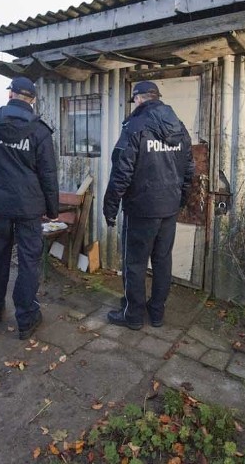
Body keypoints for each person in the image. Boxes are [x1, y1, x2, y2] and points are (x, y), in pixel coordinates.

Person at [0, 76, 59, 340]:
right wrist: (52, 210)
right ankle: (26, 320)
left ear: (10, 95)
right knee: (29, 262)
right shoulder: (39, 131)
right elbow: (48, 175)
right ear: (33, 99)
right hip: (28, 209)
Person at [103, 80, 194, 330]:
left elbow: (121, 171)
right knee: (163, 261)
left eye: (134, 100)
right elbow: (189, 169)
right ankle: (156, 314)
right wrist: (180, 200)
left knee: (135, 263)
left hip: (141, 209)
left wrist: (110, 207)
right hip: (169, 209)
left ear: (139, 98)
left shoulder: (135, 126)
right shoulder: (179, 127)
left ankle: (133, 315)